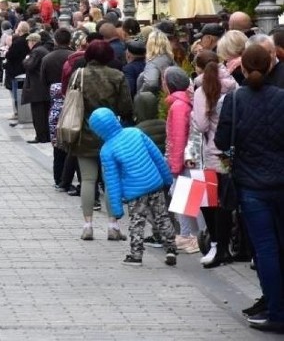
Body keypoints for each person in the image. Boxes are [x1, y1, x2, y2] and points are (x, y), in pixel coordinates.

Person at [214, 44, 284, 332]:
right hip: (281, 181)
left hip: (251, 184)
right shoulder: (282, 98)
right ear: (271, 66)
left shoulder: (234, 100)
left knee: (265, 249)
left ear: (242, 68)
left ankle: (277, 310)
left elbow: (220, 141)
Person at [90, 108, 177, 267]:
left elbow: (112, 180)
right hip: (154, 183)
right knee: (162, 216)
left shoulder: (107, 150)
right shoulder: (135, 132)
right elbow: (156, 156)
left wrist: (116, 209)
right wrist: (167, 178)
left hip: (134, 192)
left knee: (137, 222)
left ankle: (136, 255)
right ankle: (171, 247)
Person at [66, 40, 133, 241]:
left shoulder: (78, 75)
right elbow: (126, 108)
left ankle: (87, 225)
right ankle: (113, 226)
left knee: (87, 179)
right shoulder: (117, 76)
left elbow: (69, 99)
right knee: (111, 181)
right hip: (110, 135)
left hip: (83, 133)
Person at [190, 50, 238, 269]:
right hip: (231, 150)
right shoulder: (233, 84)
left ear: (199, 67)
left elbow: (200, 125)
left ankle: (217, 245)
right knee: (228, 200)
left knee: (210, 201)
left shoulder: (201, 90)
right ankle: (230, 246)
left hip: (209, 151)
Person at [162, 66, 202, 254]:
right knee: (185, 196)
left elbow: (178, 138)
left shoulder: (178, 106)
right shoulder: (184, 102)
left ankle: (193, 236)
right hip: (190, 157)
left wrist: (175, 165)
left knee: (183, 196)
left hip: (185, 158)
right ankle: (189, 234)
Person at [40, 28, 74, 185]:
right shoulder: (74, 57)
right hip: (73, 103)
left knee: (57, 143)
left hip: (55, 103)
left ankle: (58, 177)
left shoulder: (48, 58)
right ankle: (70, 177)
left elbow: (43, 80)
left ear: (55, 40)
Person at [21, 31, 52, 143]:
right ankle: (46, 136)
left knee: (38, 114)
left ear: (32, 41)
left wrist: (25, 59)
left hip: (37, 87)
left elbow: (28, 65)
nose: (28, 44)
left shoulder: (36, 51)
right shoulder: (43, 50)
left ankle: (41, 136)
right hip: (44, 87)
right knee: (45, 113)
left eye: (28, 42)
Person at [4, 22, 31, 122]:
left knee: (15, 93)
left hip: (16, 70)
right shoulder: (28, 40)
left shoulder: (18, 42)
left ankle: (17, 112)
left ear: (19, 30)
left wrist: (6, 52)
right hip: (26, 69)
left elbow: (10, 55)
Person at [137, 29, 175, 95]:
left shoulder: (152, 62)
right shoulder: (170, 59)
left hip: (157, 100)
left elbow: (151, 83)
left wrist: (141, 93)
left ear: (149, 44)